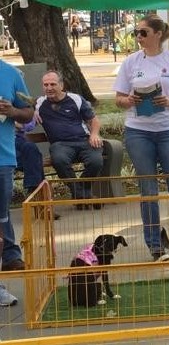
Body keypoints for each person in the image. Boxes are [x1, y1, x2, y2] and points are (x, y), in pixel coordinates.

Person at [114, 15, 169, 261]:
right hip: (138, 130)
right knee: (148, 188)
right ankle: (155, 245)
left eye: (143, 32)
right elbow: (118, 99)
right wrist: (128, 101)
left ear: (158, 34)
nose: (138, 37)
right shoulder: (130, 62)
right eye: (136, 33)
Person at [35, 71, 103, 204]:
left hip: (84, 140)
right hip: (60, 145)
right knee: (59, 160)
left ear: (61, 85)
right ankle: (83, 195)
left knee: (96, 161)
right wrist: (30, 115)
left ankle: (80, 193)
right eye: (45, 85)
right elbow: (25, 117)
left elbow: (93, 120)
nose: (49, 88)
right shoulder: (39, 103)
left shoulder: (75, 99)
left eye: (53, 84)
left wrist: (94, 134)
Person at [0, 59, 34, 293]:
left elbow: (29, 112)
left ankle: (10, 255)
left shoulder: (11, 74)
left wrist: (12, 111)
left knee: (1, 213)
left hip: (3, 158)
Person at [15, 119, 44, 195]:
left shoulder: (19, 108)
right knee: (34, 160)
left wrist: (14, 123)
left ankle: (33, 189)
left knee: (30, 148)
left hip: (18, 140)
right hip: (3, 143)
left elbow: (30, 125)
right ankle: (36, 189)